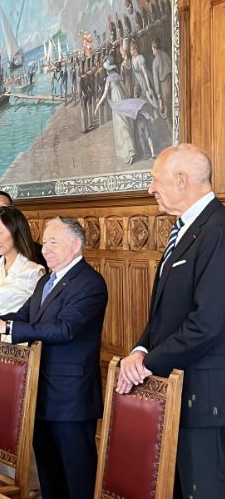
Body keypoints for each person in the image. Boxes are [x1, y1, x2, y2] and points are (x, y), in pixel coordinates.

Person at [0, 217, 108, 499]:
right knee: (49, 475)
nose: (45, 249)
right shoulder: (47, 280)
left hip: (70, 398)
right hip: (38, 390)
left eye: (53, 242)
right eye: (44, 242)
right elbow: (25, 316)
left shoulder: (89, 283)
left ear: (76, 245)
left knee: (77, 477)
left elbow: (64, 329)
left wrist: (6, 327)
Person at [117, 144, 225, 499]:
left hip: (205, 398)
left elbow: (207, 323)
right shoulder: (187, 229)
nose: (151, 188)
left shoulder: (218, 229)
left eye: (155, 179)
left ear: (181, 179)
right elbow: (166, 312)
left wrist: (148, 363)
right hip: (179, 390)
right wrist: (140, 349)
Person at [0, 205, 45, 493]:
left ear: (15, 231)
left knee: (15, 415)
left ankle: (24, 481)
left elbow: (34, 319)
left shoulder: (35, 271)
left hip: (19, 353)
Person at [95, 55, 137, 165]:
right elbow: (125, 91)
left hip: (116, 103)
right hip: (122, 100)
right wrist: (127, 101)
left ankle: (129, 152)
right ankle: (131, 150)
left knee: (121, 126)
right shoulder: (118, 76)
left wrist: (98, 105)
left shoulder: (109, 79)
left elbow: (105, 94)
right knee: (126, 123)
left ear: (108, 70)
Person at [151, 37, 172, 133]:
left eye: (152, 49)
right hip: (171, 82)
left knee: (166, 113)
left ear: (155, 48)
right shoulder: (166, 55)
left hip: (164, 86)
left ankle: (173, 135)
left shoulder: (155, 62)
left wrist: (159, 97)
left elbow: (156, 82)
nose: (152, 52)